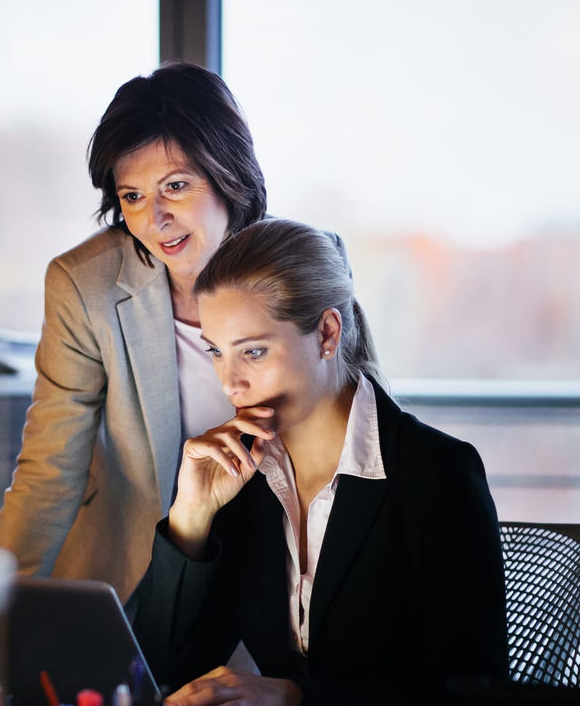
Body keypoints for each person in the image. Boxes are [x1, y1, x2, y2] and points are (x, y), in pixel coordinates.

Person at [132, 219, 508, 705]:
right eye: (217, 353)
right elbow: (166, 669)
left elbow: (474, 691)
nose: (230, 384)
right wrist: (191, 517)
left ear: (327, 333)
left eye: (254, 352)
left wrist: (296, 697)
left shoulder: (436, 474)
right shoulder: (243, 476)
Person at [0, 62, 267, 603]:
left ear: (228, 174)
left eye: (176, 186)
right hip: (134, 583)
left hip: (271, 586)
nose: (155, 218)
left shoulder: (306, 268)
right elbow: (49, 471)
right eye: (133, 196)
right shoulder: (85, 285)